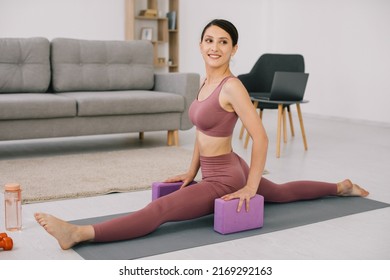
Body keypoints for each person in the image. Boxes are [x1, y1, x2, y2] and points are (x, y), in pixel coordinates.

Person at [34, 19, 369, 250]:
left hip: (225, 177)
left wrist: (250, 187)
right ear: (200, 44)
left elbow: (261, 138)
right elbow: (202, 130)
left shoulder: (233, 86)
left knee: (162, 211)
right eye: (210, 40)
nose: (215, 47)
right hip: (223, 165)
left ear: (234, 49)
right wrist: (192, 171)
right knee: (281, 193)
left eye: (223, 42)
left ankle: (79, 233)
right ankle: (342, 187)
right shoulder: (204, 81)